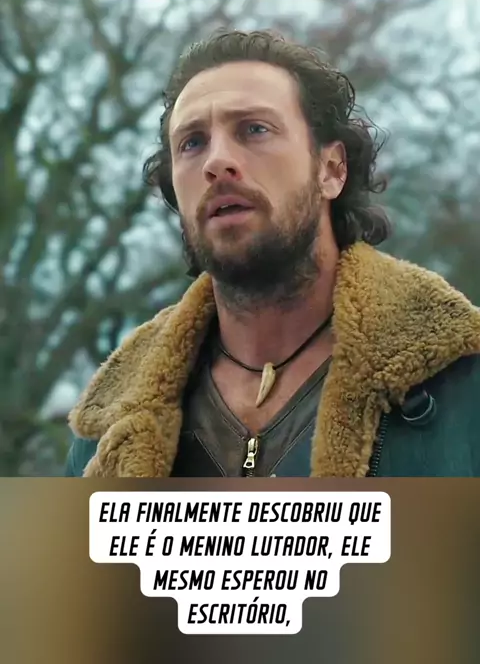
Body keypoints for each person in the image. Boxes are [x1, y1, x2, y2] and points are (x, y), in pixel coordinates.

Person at [66, 29, 480, 477]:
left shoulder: (460, 381)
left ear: (331, 169)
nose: (216, 162)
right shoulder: (109, 423)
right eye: (192, 143)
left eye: (254, 129)